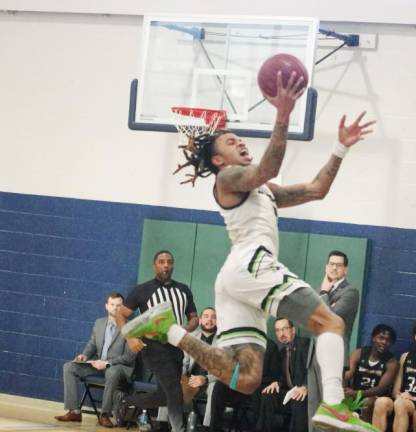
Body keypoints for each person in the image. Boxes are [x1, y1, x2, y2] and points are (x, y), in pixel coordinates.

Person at [122, 72, 377, 432]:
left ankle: (170, 330)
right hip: (252, 265)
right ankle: (334, 405)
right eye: (230, 141)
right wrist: (283, 113)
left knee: (245, 378)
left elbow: (318, 189)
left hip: (236, 277)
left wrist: (340, 148)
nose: (240, 143)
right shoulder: (227, 180)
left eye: (239, 138)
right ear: (217, 161)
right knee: (331, 323)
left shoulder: (265, 192)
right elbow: (268, 166)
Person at [115, 250, 198, 432]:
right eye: (161, 261)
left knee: (166, 394)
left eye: (169, 261)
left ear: (173, 265)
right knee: (175, 391)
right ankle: (179, 429)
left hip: (176, 348)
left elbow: (194, 318)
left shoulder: (183, 290)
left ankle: (128, 400)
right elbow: (121, 314)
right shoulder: (142, 290)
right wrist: (130, 337)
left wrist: (187, 328)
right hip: (153, 348)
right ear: (155, 265)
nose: (166, 265)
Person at [55, 292, 136, 428]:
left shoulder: (130, 327)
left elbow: (129, 357)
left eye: (119, 306)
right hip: (98, 364)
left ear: (123, 308)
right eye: (112, 305)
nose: (115, 308)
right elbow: (92, 345)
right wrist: (85, 356)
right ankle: (74, 411)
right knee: (69, 367)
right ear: (106, 306)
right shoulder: (99, 323)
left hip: (118, 368)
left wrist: (107, 363)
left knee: (112, 372)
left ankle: (104, 415)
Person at [308, 250, 360, 430]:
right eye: (331, 264)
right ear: (326, 266)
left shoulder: (351, 292)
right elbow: (311, 318)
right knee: (313, 409)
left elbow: (328, 317)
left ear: (345, 269)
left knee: (330, 410)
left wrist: (323, 293)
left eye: (339, 265)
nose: (334, 268)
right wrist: (325, 301)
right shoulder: (319, 291)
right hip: (313, 354)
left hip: (333, 357)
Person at [372, 320, 416, 432]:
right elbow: (395, 390)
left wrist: (412, 398)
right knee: (381, 402)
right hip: (402, 399)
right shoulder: (405, 356)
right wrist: (400, 396)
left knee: (401, 404)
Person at [257, 318, 309, 432]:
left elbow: (312, 370)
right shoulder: (282, 352)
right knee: (268, 395)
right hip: (289, 393)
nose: (281, 334)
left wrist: (306, 386)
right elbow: (282, 376)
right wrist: (277, 383)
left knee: (299, 400)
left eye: (284, 329)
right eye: (278, 330)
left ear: (293, 330)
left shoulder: (304, 344)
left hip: (303, 392)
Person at [344, 324, 398, 422]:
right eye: (381, 338)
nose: (384, 342)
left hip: (375, 397)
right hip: (355, 392)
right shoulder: (359, 353)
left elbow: (380, 389)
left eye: (388, 340)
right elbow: (348, 374)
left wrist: (356, 393)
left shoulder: (392, 362)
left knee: (368, 402)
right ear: (373, 338)